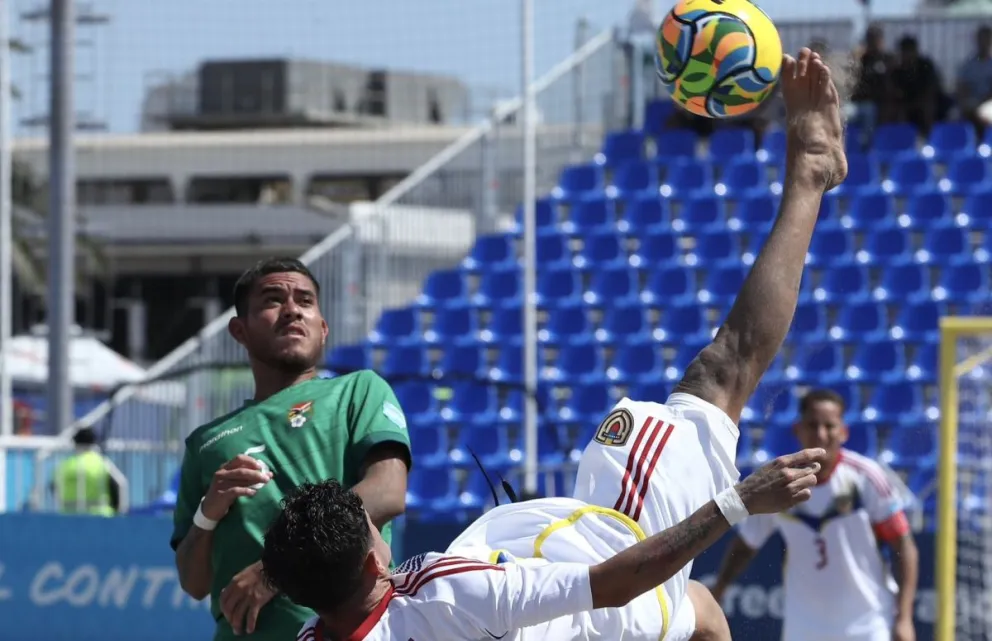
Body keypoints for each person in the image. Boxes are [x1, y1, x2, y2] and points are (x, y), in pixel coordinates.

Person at [260, 48, 848, 641]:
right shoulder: (442, 594)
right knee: (721, 372)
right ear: (371, 562)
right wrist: (741, 500)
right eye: (371, 532)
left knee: (696, 612)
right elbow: (614, 585)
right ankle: (811, 170)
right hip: (600, 586)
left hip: (584, 603)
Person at [170, 257, 412, 641]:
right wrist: (207, 513)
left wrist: (275, 571)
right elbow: (193, 583)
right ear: (239, 330)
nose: (292, 310)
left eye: (305, 300)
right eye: (272, 300)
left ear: (323, 327)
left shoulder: (359, 390)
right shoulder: (206, 442)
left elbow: (388, 491)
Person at [711, 388, 919, 641]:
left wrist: (904, 617)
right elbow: (746, 544)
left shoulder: (866, 477)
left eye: (829, 426)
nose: (821, 434)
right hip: (804, 628)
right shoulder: (779, 482)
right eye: (812, 425)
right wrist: (719, 589)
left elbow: (904, 546)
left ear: (843, 432)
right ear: (798, 430)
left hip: (869, 625)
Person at [52, 426, 127, 516]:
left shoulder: (64, 466)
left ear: (75, 443)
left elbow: (54, 487)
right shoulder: (101, 463)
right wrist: (118, 512)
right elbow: (119, 485)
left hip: (68, 518)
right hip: (99, 517)